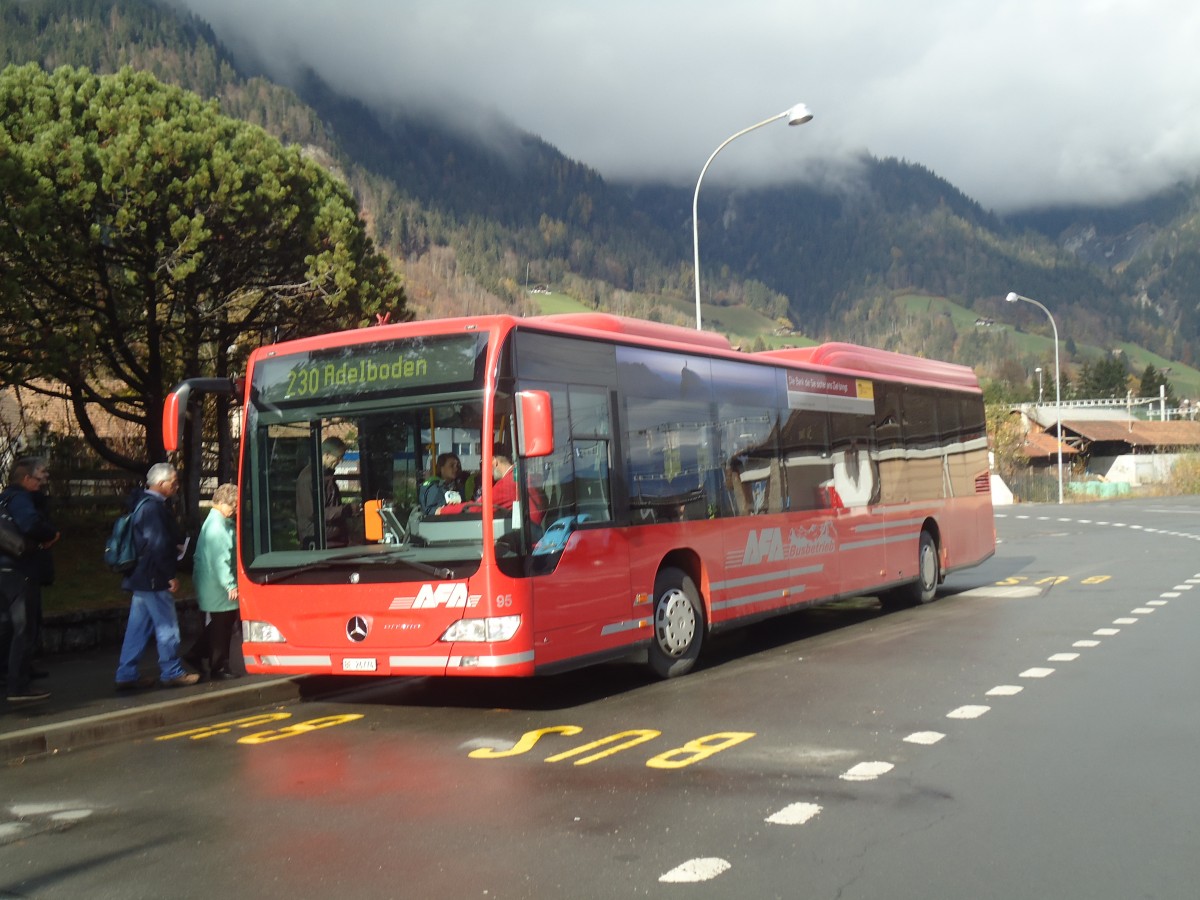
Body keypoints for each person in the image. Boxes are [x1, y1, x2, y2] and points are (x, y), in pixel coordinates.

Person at [113, 463, 200, 689]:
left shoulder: (141, 503)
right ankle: (171, 671)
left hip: (140, 575)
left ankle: (126, 673)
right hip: (154, 576)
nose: (176, 486)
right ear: (161, 483)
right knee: (167, 626)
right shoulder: (154, 508)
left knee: (137, 628)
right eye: (174, 482)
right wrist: (169, 575)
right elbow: (157, 544)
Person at [0, 457, 58, 703]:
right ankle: (18, 685)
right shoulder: (21, 499)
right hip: (20, 568)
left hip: (4, 568)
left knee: (7, 625)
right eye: (39, 477)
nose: (42, 481)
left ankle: (8, 672)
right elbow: (31, 524)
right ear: (26, 479)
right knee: (24, 627)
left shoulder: (3, 497)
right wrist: (52, 534)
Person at [183, 483, 240, 680]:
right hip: (217, 585)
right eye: (234, 505)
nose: (235, 510)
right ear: (223, 503)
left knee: (220, 623)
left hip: (210, 581)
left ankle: (196, 654)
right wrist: (230, 585)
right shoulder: (218, 528)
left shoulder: (215, 522)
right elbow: (221, 560)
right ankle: (219, 666)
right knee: (222, 625)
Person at [295, 437, 357, 548]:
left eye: (342, 457)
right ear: (326, 455)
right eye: (338, 457)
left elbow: (330, 505)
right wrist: (344, 510)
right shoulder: (308, 478)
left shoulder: (326, 476)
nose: (340, 461)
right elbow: (313, 513)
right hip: (318, 541)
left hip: (331, 537)